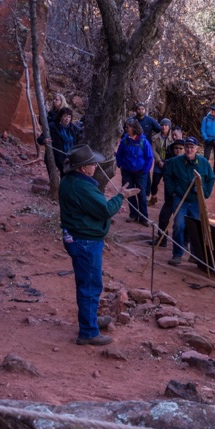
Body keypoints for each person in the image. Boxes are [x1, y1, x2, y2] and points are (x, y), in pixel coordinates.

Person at [58, 146, 140, 346]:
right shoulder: (81, 186)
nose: (95, 166)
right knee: (90, 285)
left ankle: (90, 322)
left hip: (80, 238)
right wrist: (121, 196)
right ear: (82, 168)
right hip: (85, 241)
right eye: (91, 164)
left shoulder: (71, 181)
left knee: (90, 283)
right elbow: (105, 210)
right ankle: (87, 332)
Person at [162, 137, 215, 265]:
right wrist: (173, 191)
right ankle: (177, 254)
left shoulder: (203, 162)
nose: (189, 149)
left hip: (197, 201)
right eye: (187, 147)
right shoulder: (175, 162)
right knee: (178, 225)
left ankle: (195, 254)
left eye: (192, 147)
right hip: (181, 199)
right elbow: (167, 177)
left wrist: (206, 193)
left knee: (196, 227)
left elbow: (211, 179)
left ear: (197, 149)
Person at [115, 118, 154, 224]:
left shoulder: (143, 142)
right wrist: (120, 165)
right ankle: (133, 214)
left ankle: (143, 217)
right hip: (127, 171)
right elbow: (119, 153)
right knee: (129, 193)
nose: (126, 128)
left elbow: (149, 157)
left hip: (140, 172)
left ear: (134, 128)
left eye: (128, 127)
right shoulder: (125, 140)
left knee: (141, 194)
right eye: (126, 126)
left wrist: (145, 170)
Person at [37, 107, 84, 175]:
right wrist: (44, 140)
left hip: (71, 157)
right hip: (57, 157)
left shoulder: (73, 127)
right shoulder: (53, 127)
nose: (67, 119)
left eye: (69, 117)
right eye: (65, 116)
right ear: (60, 116)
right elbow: (39, 139)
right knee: (60, 175)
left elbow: (81, 132)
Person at [149, 119, 172, 206]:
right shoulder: (155, 137)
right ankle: (153, 197)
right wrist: (158, 161)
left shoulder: (173, 138)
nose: (164, 127)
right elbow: (153, 150)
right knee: (155, 182)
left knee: (168, 183)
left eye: (166, 125)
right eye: (162, 125)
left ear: (169, 127)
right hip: (159, 163)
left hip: (169, 164)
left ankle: (168, 202)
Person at [200, 104, 215, 174]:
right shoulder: (206, 119)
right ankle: (204, 172)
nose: (213, 111)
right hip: (208, 140)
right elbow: (202, 129)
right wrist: (206, 138)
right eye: (212, 110)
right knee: (206, 156)